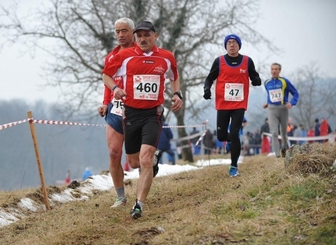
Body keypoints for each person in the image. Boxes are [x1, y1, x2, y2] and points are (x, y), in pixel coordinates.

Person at [102, 20, 183, 219]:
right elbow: (106, 75)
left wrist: (177, 94)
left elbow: (174, 75)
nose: (142, 39)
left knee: (145, 159)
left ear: (155, 36)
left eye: (147, 35)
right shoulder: (123, 56)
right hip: (130, 113)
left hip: (153, 114)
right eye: (139, 36)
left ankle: (138, 204)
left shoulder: (166, 57)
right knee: (133, 161)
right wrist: (115, 89)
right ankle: (146, 164)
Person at [203, 34, 261, 177]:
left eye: (234, 42)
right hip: (222, 104)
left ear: (239, 45)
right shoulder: (219, 61)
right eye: (229, 42)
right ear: (226, 45)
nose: (232, 45)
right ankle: (229, 142)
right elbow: (209, 78)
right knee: (222, 136)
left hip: (239, 104)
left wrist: (256, 80)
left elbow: (254, 75)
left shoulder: (247, 61)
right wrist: (206, 89)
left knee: (234, 134)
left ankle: (234, 166)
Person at [97, 18, 136, 208]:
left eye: (124, 31)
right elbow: (107, 81)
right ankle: (120, 196)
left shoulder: (141, 52)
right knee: (113, 153)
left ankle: (151, 158)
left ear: (133, 32)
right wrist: (105, 103)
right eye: (117, 31)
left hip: (138, 108)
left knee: (134, 160)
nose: (120, 35)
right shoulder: (111, 56)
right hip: (116, 108)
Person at [263, 63, 299, 158]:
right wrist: (268, 103)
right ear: (270, 70)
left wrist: (291, 103)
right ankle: (277, 155)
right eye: (272, 69)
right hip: (272, 109)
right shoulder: (266, 82)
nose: (274, 71)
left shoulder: (284, 81)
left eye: (276, 69)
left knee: (283, 133)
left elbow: (295, 93)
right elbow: (270, 95)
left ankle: (283, 149)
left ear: (279, 71)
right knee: (274, 132)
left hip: (283, 109)